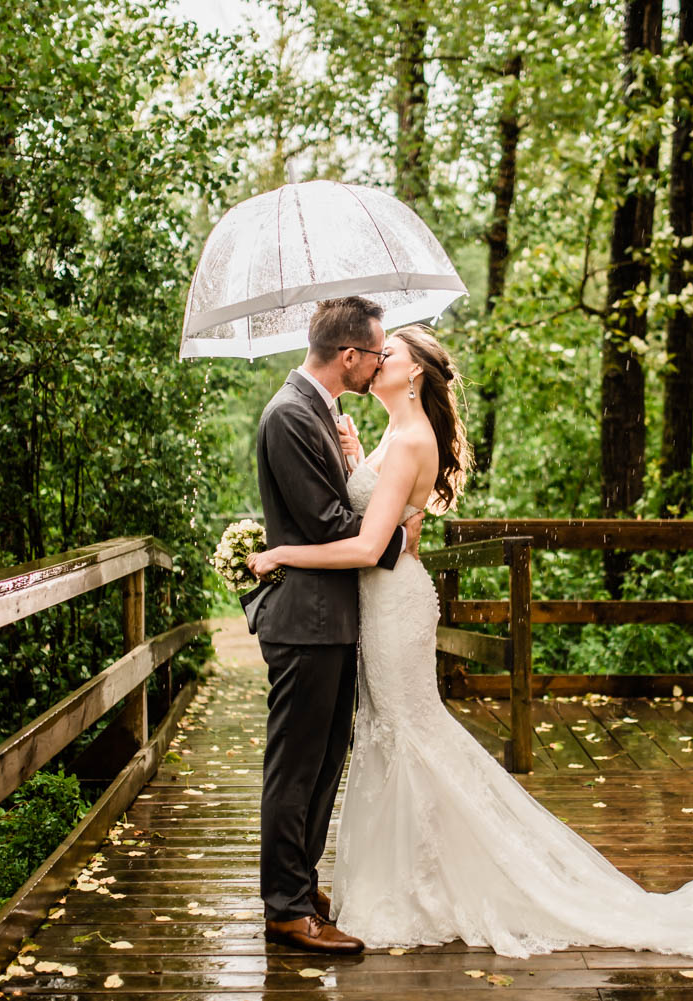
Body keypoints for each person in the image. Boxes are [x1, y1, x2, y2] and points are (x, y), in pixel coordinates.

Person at [248, 323, 693, 965]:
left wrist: (279, 552)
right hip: (378, 600)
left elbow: (369, 542)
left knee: (410, 735)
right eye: (376, 352)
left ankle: (422, 884)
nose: (378, 361)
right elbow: (378, 512)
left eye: (390, 354)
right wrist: (359, 459)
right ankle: (368, 885)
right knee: (397, 737)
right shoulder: (390, 431)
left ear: (413, 372)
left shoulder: (412, 434)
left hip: (390, 601)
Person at [249, 296, 424, 955]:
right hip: (307, 621)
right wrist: (389, 533)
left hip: (333, 618)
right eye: (376, 353)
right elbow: (325, 522)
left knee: (324, 763)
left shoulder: (322, 411)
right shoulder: (289, 414)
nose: (380, 362)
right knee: (295, 767)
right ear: (349, 356)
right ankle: (286, 907)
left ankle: (299, 879)